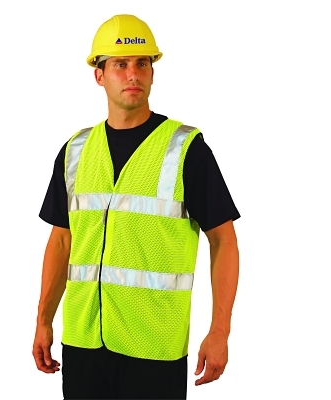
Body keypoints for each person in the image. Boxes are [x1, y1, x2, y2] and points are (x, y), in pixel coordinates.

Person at [33, 14, 240, 400]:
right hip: (83, 341)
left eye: (142, 63)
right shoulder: (76, 151)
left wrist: (220, 330)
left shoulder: (185, 149)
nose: (133, 74)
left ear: (152, 72)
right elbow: (61, 241)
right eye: (120, 64)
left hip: (154, 345)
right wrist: (43, 320)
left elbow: (224, 240)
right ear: (99, 75)